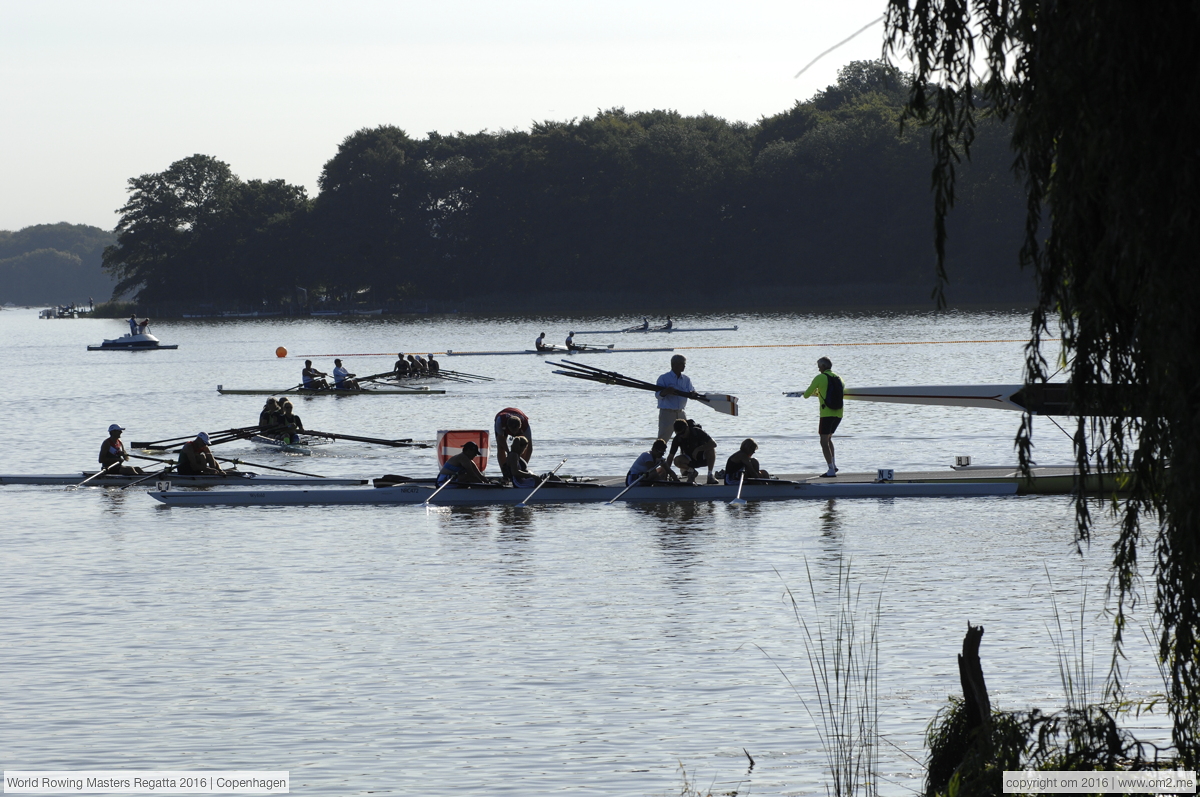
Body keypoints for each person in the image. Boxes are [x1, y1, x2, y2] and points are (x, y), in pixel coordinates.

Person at [802, 356, 845, 477]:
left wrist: (815, 391)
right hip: (839, 413)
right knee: (828, 439)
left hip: (827, 414)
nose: (818, 369)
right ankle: (833, 465)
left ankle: (831, 470)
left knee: (823, 441)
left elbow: (806, 394)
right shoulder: (839, 378)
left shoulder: (820, 377)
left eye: (819, 366)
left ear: (823, 367)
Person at [655, 354, 699, 441]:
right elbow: (658, 395)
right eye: (682, 364)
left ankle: (685, 454)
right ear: (675, 364)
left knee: (686, 438)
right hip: (667, 413)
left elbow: (692, 391)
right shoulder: (664, 378)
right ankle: (657, 454)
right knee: (663, 438)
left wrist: (693, 394)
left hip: (681, 412)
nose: (684, 366)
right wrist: (666, 391)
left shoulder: (686, 379)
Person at [667, 418, 719, 485]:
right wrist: (667, 472)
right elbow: (671, 456)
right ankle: (692, 472)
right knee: (677, 460)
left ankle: (710, 475)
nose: (681, 435)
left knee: (711, 449)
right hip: (690, 460)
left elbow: (713, 444)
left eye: (683, 433)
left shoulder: (697, 431)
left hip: (703, 458)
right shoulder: (677, 438)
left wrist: (698, 449)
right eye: (679, 434)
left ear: (687, 427)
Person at [494, 407, 532, 479]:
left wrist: (522, 466)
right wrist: (509, 453)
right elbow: (500, 439)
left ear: (519, 427)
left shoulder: (525, 426)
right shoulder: (500, 422)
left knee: (524, 445)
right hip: (502, 420)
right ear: (508, 427)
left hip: (519, 419)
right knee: (500, 447)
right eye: (512, 431)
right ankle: (505, 472)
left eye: (515, 431)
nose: (513, 433)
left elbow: (529, 448)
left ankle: (519, 469)